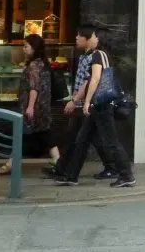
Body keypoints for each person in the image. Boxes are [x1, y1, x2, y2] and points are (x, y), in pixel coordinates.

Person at [56, 25, 135, 188]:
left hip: (101, 104)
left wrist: (86, 102)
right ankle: (71, 175)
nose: (91, 38)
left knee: (111, 141)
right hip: (100, 104)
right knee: (82, 139)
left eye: (93, 36)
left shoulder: (98, 54)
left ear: (98, 39)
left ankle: (126, 175)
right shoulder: (105, 55)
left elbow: (95, 79)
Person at [44, 30, 113, 180]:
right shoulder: (85, 56)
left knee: (82, 138)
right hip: (83, 102)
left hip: (85, 103)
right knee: (80, 137)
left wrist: (77, 101)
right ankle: (64, 170)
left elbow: (90, 81)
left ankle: (68, 172)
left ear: (91, 39)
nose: (76, 38)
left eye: (79, 35)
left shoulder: (96, 56)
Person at [0, 33, 59, 175]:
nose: (24, 49)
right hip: (42, 106)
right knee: (45, 134)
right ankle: (58, 160)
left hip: (34, 107)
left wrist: (30, 107)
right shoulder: (42, 64)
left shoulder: (34, 65)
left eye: (26, 46)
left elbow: (34, 87)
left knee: (23, 134)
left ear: (34, 48)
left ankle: (10, 163)